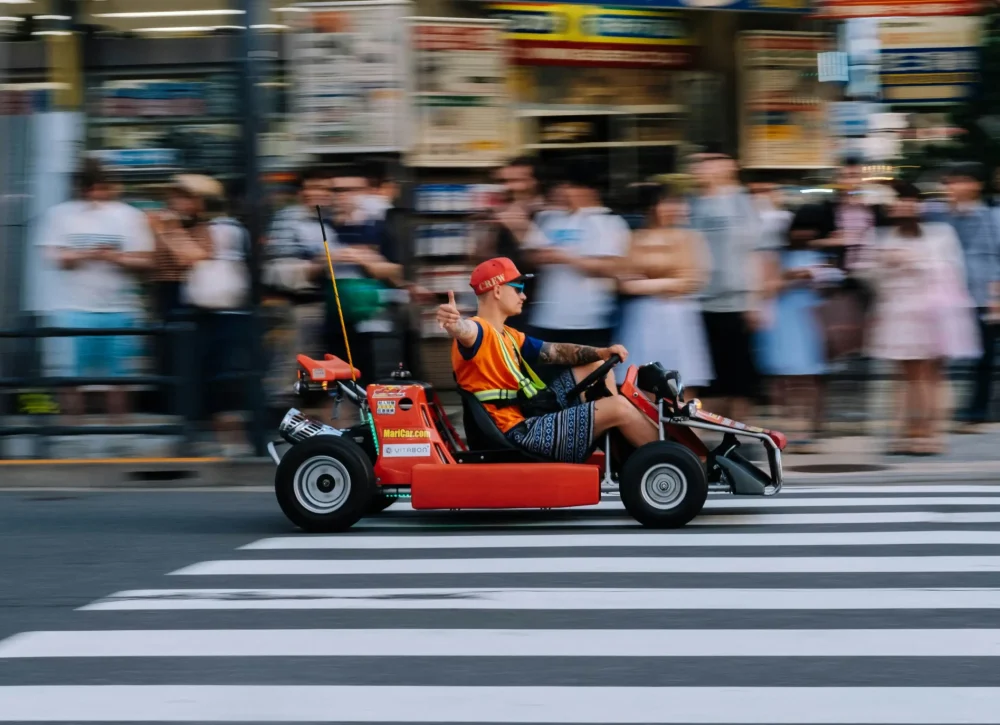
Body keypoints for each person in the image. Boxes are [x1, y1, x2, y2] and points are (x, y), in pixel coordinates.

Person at [436, 257, 658, 464]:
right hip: (518, 434)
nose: (524, 296)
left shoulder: (510, 336)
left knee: (597, 367)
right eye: (518, 288)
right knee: (619, 407)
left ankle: (625, 456)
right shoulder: (478, 330)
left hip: (529, 415)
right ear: (497, 290)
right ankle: (667, 459)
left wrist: (602, 353)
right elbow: (465, 331)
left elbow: (555, 351)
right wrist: (455, 325)